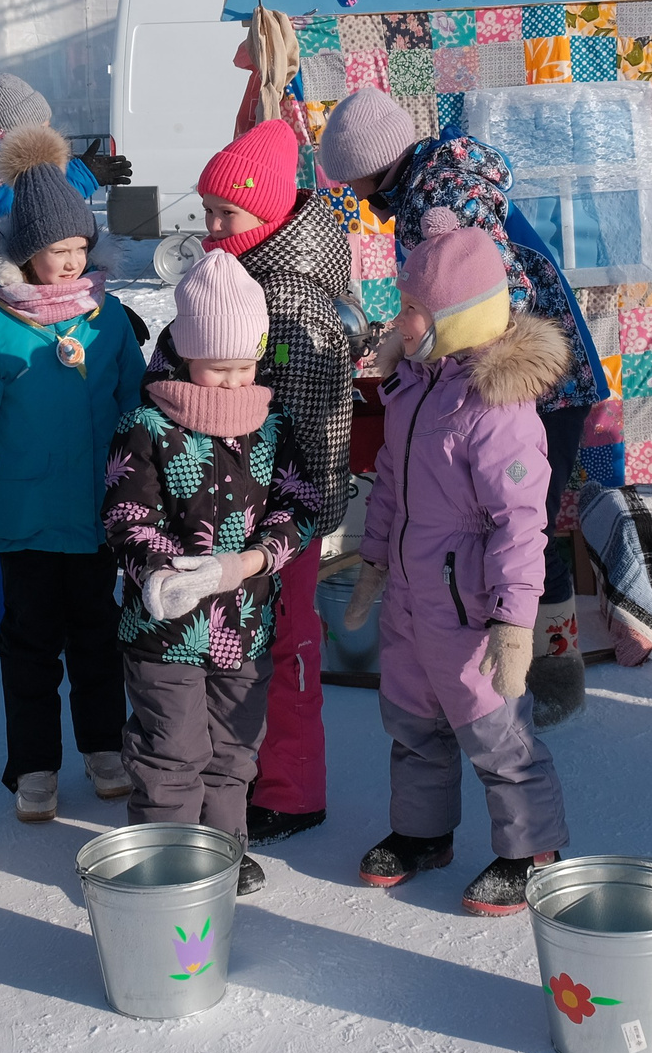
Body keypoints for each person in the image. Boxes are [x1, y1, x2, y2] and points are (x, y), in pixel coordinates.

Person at [316, 85, 600, 728]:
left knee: (519, 526)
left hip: (520, 384)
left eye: (349, 177)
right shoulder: (433, 177)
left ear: (372, 163)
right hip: (510, 377)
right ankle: (478, 671)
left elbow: (500, 287)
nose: (350, 192)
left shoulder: (433, 197)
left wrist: (450, 357)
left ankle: (544, 672)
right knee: (490, 526)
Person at [342, 209, 573, 915]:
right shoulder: (414, 386)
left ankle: (530, 848)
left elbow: (520, 526)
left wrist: (511, 624)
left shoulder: (497, 412)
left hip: (469, 608)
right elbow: (391, 481)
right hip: (413, 601)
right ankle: (422, 832)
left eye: (411, 309)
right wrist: (374, 562)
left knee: (494, 729)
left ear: (457, 319)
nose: (398, 320)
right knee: (411, 721)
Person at [102, 250, 321, 896]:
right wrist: (162, 573)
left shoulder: (272, 427)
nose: (232, 382)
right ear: (187, 352)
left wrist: (250, 560)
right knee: (171, 751)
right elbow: (126, 513)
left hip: (244, 626)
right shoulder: (148, 426)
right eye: (217, 366)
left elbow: (299, 506)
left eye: (245, 366)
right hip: (165, 629)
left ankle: (224, 848)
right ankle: (168, 859)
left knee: (231, 752)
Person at [0, 147, 146, 825]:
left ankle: (104, 745)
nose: (70, 261)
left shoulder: (107, 317)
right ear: (27, 249)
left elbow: (133, 410)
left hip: (93, 520)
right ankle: (33, 763)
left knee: (97, 639)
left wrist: (141, 496)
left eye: (79, 246)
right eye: (56, 249)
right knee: (27, 648)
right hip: (23, 523)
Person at [189, 120, 352, 848]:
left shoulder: (285, 297)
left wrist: (287, 511)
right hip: (254, 506)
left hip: (283, 512)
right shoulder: (251, 274)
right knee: (258, 641)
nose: (213, 227)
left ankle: (291, 787)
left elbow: (302, 424)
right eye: (208, 213)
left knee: (282, 643)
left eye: (229, 213)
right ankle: (257, 771)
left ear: (272, 212)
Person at [0, 73, 127, 359]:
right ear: (19, 131)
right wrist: (80, 176)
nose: (50, 131)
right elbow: (33, 214)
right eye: (43, 126)